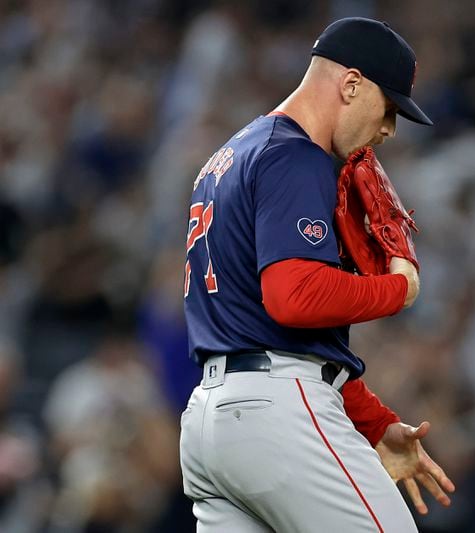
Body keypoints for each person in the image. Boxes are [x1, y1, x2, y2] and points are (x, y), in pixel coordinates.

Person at [179, 17, 454, 532]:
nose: (390, 129)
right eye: (390, 108)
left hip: (210, 424)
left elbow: (273, 331)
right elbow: (294, 298)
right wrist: (399, 289)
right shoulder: (296, 156)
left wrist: (372, 422)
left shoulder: (231, 155)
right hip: (275, 416)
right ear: (351, 84)